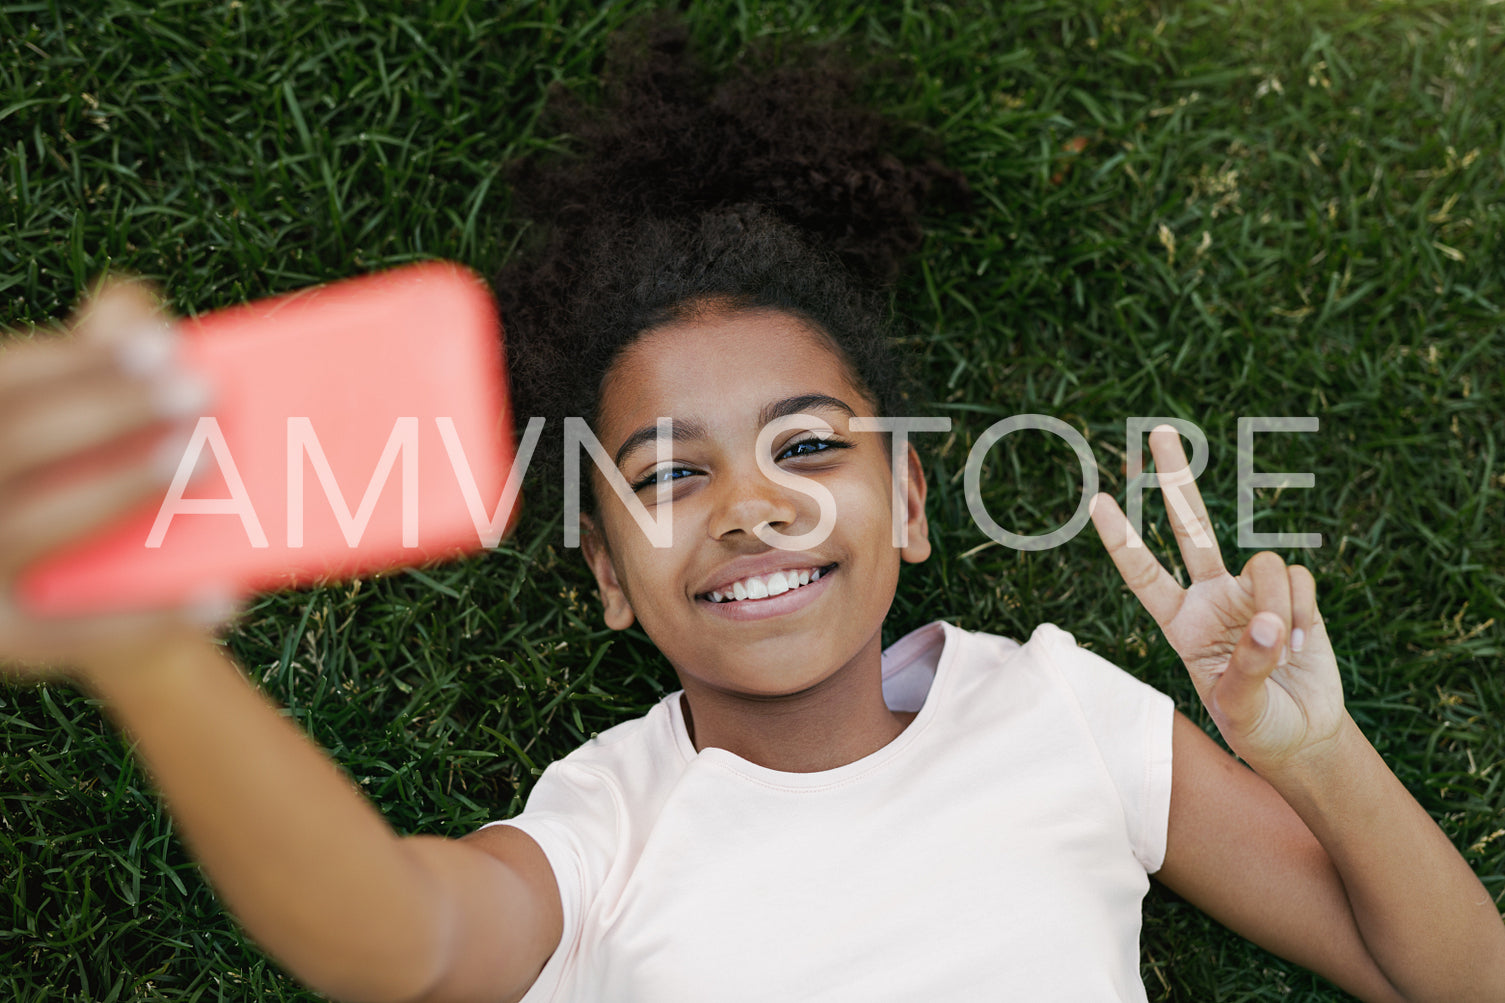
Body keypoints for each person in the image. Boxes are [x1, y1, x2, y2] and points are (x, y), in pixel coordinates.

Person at [1, 18, 1501, 1003]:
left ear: (909, 502)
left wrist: (1318, 758)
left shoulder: (1059, 711)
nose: (747, 509)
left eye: (808, 447)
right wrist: (155, 657)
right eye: (665, 475)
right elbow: (397, 939)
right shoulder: (609, 823)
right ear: (601, 572)